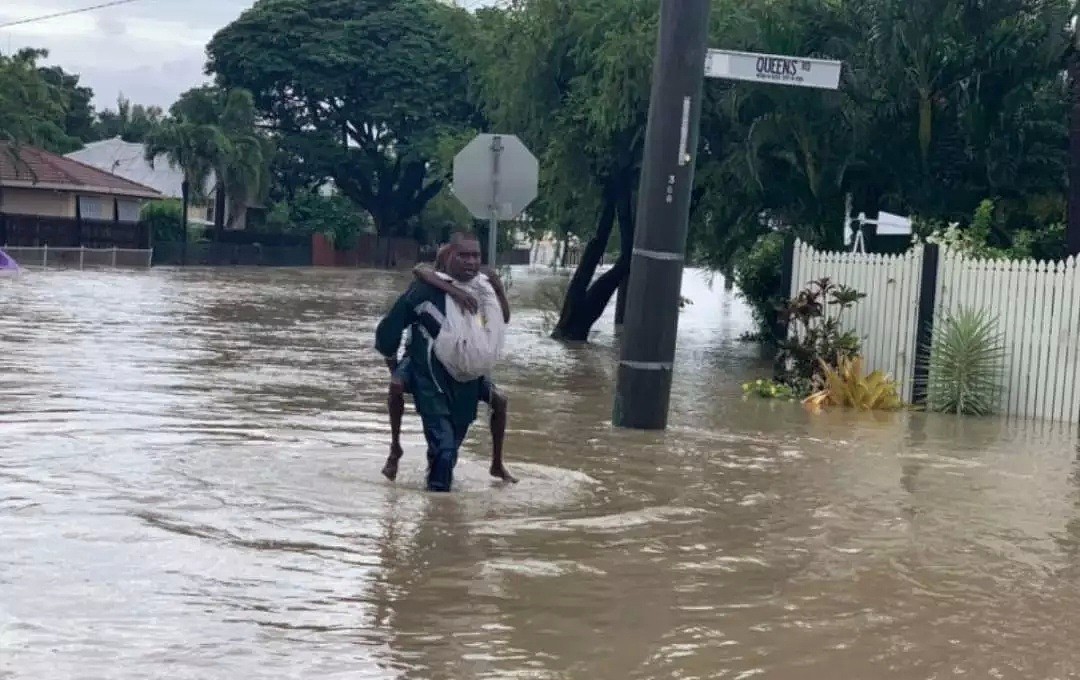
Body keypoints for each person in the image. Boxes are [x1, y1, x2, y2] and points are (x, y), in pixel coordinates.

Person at [375, 233, 513, 492]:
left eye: (476, 256)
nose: (471, 261)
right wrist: (396, 368)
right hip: (430, 377)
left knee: (447, 452)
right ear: (449, 257)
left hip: (468, 378)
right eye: (463, 255)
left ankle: (448, 493)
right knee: (445, 451)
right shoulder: (424, 291)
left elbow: (499, 321)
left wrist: (498, 288)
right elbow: (387, 333)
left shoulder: (482, 288)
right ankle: (438, 520)